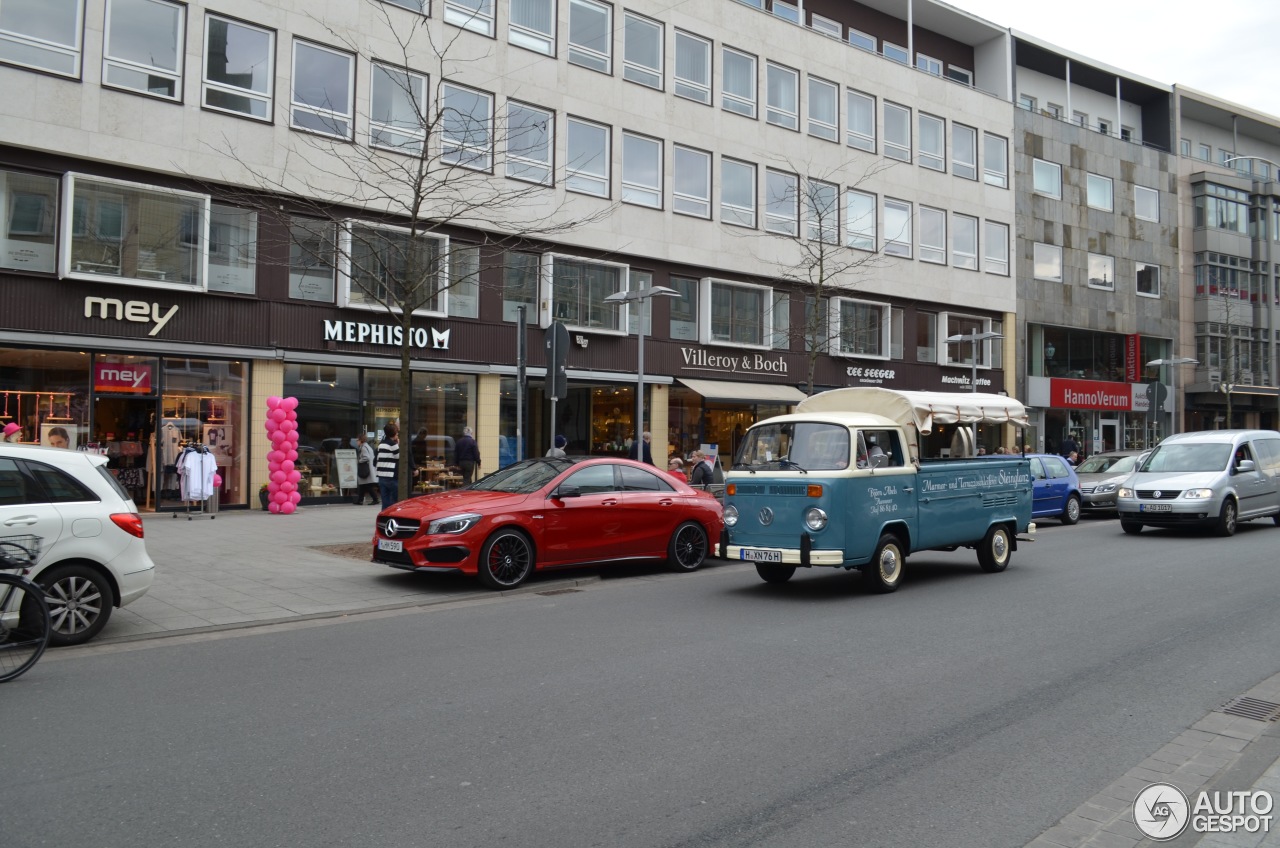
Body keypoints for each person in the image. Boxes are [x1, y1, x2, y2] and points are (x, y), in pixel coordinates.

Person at [376, 422, 400, 510]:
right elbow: (398, 457)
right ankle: (392, 516)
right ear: (394, 433)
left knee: (385, 499)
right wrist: (398, 444)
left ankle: (384, 516)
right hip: (391, 476)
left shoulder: (381, 444)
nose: (397, 433)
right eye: (397, 432)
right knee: (394, 499)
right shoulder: (393, 445)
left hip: (381, 475)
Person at [352, 432, 378, 505]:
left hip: (365, 469)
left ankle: (375, 499)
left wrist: (358, 461)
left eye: (357, 440)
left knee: (367, 486)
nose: (356, 441)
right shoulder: (367, 446)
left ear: (361, 440)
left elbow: (366, 457)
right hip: (368, 469)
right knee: (363, 486)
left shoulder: (363, 447)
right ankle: (360, 500)